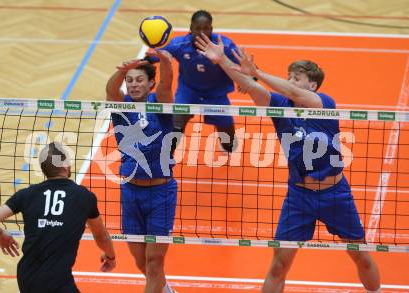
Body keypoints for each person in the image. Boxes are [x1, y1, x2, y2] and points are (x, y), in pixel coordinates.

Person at [195, 34, 382, 293]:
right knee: (279, 265)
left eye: (296, 78)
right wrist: (222, 60)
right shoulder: (279, 106)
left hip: (335, 195)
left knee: (360, 255)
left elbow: (285, 89)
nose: (291, 82)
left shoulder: (324, 104)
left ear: (313, 85)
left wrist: (257, 72)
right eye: (289, 76)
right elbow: (248, 84)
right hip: (299, 196)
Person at [0, 142, 116, 293]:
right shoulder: (84, 196)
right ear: (65, 165)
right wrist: (111, 257)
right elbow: (102, 237)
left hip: (27, 277)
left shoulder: (26, 194)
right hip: (57, 280)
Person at [106, 50, 177, 293]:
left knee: (154, 262)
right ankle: (165, 290)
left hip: (161, 193)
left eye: (139, 80)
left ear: (150, 84)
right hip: (131, 192)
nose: (134, 85)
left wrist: (166, 61)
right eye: (130, 80)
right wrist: (122, 70)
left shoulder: (160, 103)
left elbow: (167, 85)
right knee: (140, 261)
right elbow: (110, 90)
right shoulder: (122, 106)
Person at [158, 9, 239, 154]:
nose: (202, 32)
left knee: (229, 145)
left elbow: (243, 64)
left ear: (211, 29)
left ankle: (227, 143)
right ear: (190, 29)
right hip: (188, 92)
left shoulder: (224, 45)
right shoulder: (179, 44)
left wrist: (251, 79)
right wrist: (144, 61)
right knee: (174, 128)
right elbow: (158, 55)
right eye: (198, 28)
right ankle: (166, 159)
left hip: (216, 94)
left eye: (206, 28)